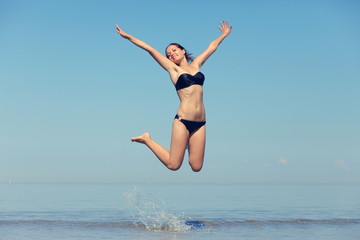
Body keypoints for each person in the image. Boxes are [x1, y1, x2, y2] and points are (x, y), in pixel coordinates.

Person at [116, 21, 232, 172]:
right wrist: (127, 36)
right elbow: (149, 49)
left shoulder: (196, 65)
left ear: (183, 50)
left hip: (200, 123)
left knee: (196, 167)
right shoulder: (173, 70)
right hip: (182, 121)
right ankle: (146, 139)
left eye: (174, 50)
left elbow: (211, 48)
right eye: (169, 54)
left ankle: (186, 143)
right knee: (173, 165)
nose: (171, 54)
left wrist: (224, 34)